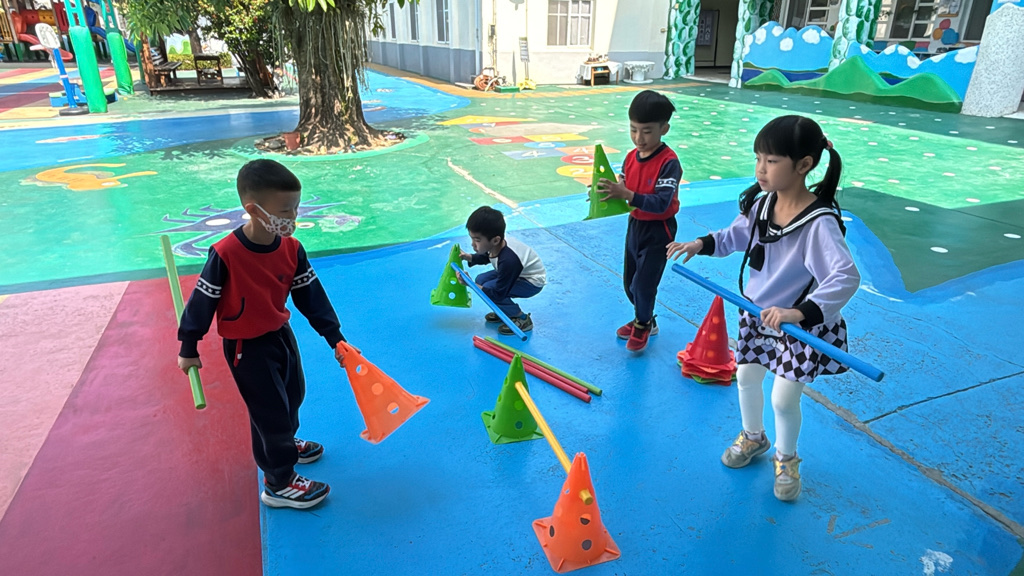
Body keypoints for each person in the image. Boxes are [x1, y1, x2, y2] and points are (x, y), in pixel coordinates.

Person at [667, 115, 861, 501]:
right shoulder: (763, 204)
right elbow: (736, 235)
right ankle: (754, 437)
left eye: (771, 161)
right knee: (746, 377)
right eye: (758, 158)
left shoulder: (819, 223)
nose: (760, 169)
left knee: (783, 399)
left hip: (797, 326)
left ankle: (786, 459)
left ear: (804, 165)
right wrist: (700, 244)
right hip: (757, 315)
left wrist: (799, 312)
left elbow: (845, 277)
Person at [177, 159, 349, 510]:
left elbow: (310, 296)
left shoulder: (291, 249)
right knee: (269, 412)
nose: (293, 216)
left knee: (292, 395)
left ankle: (284, 442)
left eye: (296, 207)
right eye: (285, 210)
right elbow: (202, 301)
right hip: (246, 346)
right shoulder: (226, 254)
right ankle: (279, 481)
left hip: (279, 334)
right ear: (254, 210)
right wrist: (189, 345)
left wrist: (335, 337)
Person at [597, 89, 682, 352]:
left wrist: (627, 194)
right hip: (635, 226)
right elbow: (623, 187)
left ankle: (643, 324)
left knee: (644, 285)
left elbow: (661, 203)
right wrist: (608, 192)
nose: (638, 138)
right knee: (630, 283)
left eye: (646, 131)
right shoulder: (630, 157)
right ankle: (643, 318)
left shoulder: (669, 162)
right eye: (633, 129)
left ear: (664, 129)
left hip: (659, 229)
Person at [459, 206, 546, 335]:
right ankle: (504, 311)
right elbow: (488, 255)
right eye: (472, 238)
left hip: (531, 282)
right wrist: (469, 257)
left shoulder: (509, 260)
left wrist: (471, 284)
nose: (472, 244)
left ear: (495, 240)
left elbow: (498, 293)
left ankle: (522, 318)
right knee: (481, 279)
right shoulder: (497, 245)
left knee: (489, 289)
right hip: (517, 274)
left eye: (477, 240)